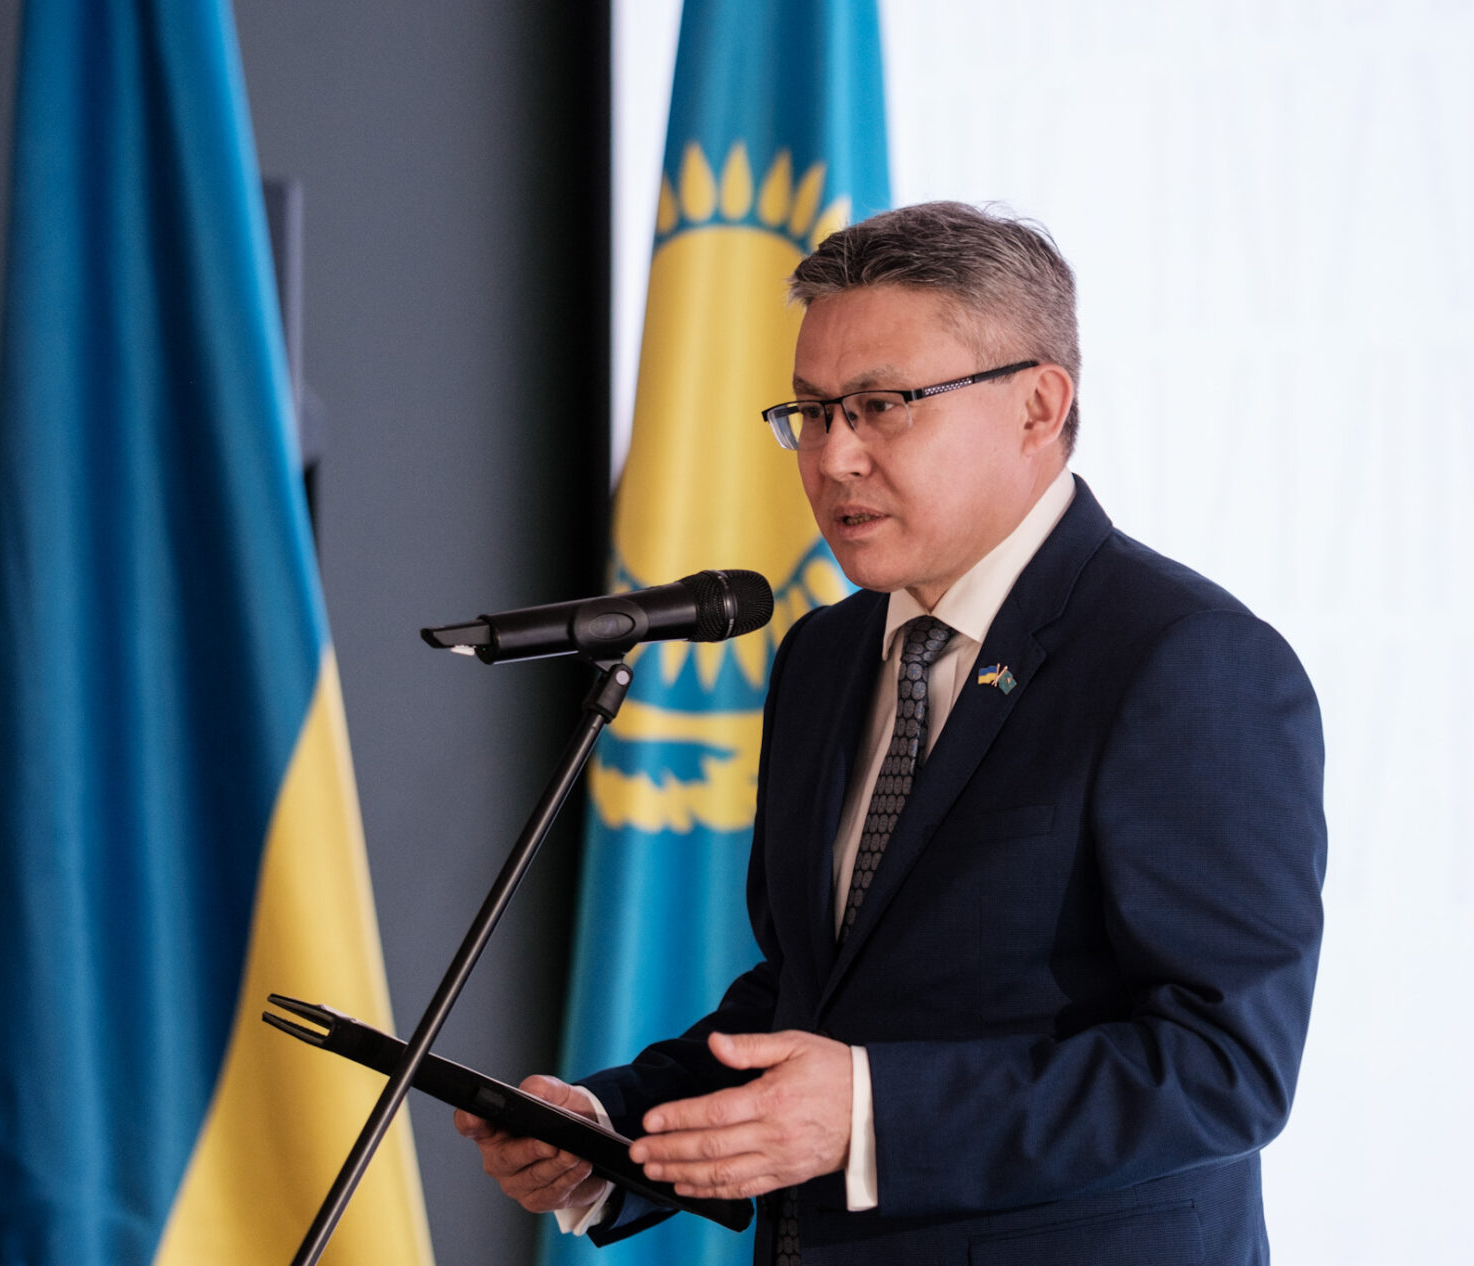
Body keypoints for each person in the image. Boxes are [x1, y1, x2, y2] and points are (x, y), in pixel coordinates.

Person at [457, 201, 1327, 1264]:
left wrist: (872, 1114)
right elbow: (812, 996)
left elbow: (1223, 1068)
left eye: (881, 406)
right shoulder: (825, 656)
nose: (834, 457)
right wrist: (612, 1130)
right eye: (812, 411)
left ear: (1038, 406)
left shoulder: (1184, 661)